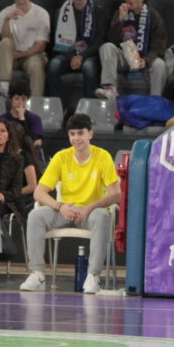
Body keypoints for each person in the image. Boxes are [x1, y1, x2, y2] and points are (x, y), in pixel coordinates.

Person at [19, 112, 120, 294]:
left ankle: (93, 276)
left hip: (91, 212)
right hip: (65, 209)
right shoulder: (61, 157)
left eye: (80, 133)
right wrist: (60, 206)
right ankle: (38, 274)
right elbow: (38, 192)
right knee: (35, 215)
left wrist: (90, 206)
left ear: (90, 134)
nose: (76, 138)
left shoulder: (103, 156)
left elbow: (116, 195)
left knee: (103, 215)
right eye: (72, 134)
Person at [97, 0, 170, 99]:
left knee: (160, 65)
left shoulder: (153, 17)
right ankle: (110, 89)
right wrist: (120, 20)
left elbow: (158, 47)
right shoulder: (121, 13)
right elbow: (111, 40)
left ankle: (156, 100)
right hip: (125, 59)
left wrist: (146, 60)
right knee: (107, 47)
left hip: (144, 59)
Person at [48, 0, 103, 108]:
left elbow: (99, 41)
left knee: (88, 67)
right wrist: (72, 57)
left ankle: (89, 109)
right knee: (54, 65)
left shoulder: (98, 12)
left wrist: (81, 57)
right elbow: (58, 42)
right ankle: (57, 108)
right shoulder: (61, 13)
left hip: (89, 55)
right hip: (68, 54)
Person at [0, 0, 51, 96]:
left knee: (36, 65)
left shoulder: (41, 14)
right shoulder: (4, 13)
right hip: (11, 56)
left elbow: (40, 46)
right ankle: (4, 88)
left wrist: (20, 55)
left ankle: (36, 103)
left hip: (31, 55)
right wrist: (7, 20)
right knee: (5, 43)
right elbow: (4, 38)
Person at [0, 118, 39, 218]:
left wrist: (2, 195)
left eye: (2, 131)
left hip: (7, 202)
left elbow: (17, 190)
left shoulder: (17, 159)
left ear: (8, 136)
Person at [1, 81, 45, 147]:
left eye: (23, 99)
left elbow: (35, 142)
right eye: (17, 98)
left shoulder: (35, 119)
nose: (20, 102)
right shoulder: (3, 119)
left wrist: (22, 118)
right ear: (11, 99)